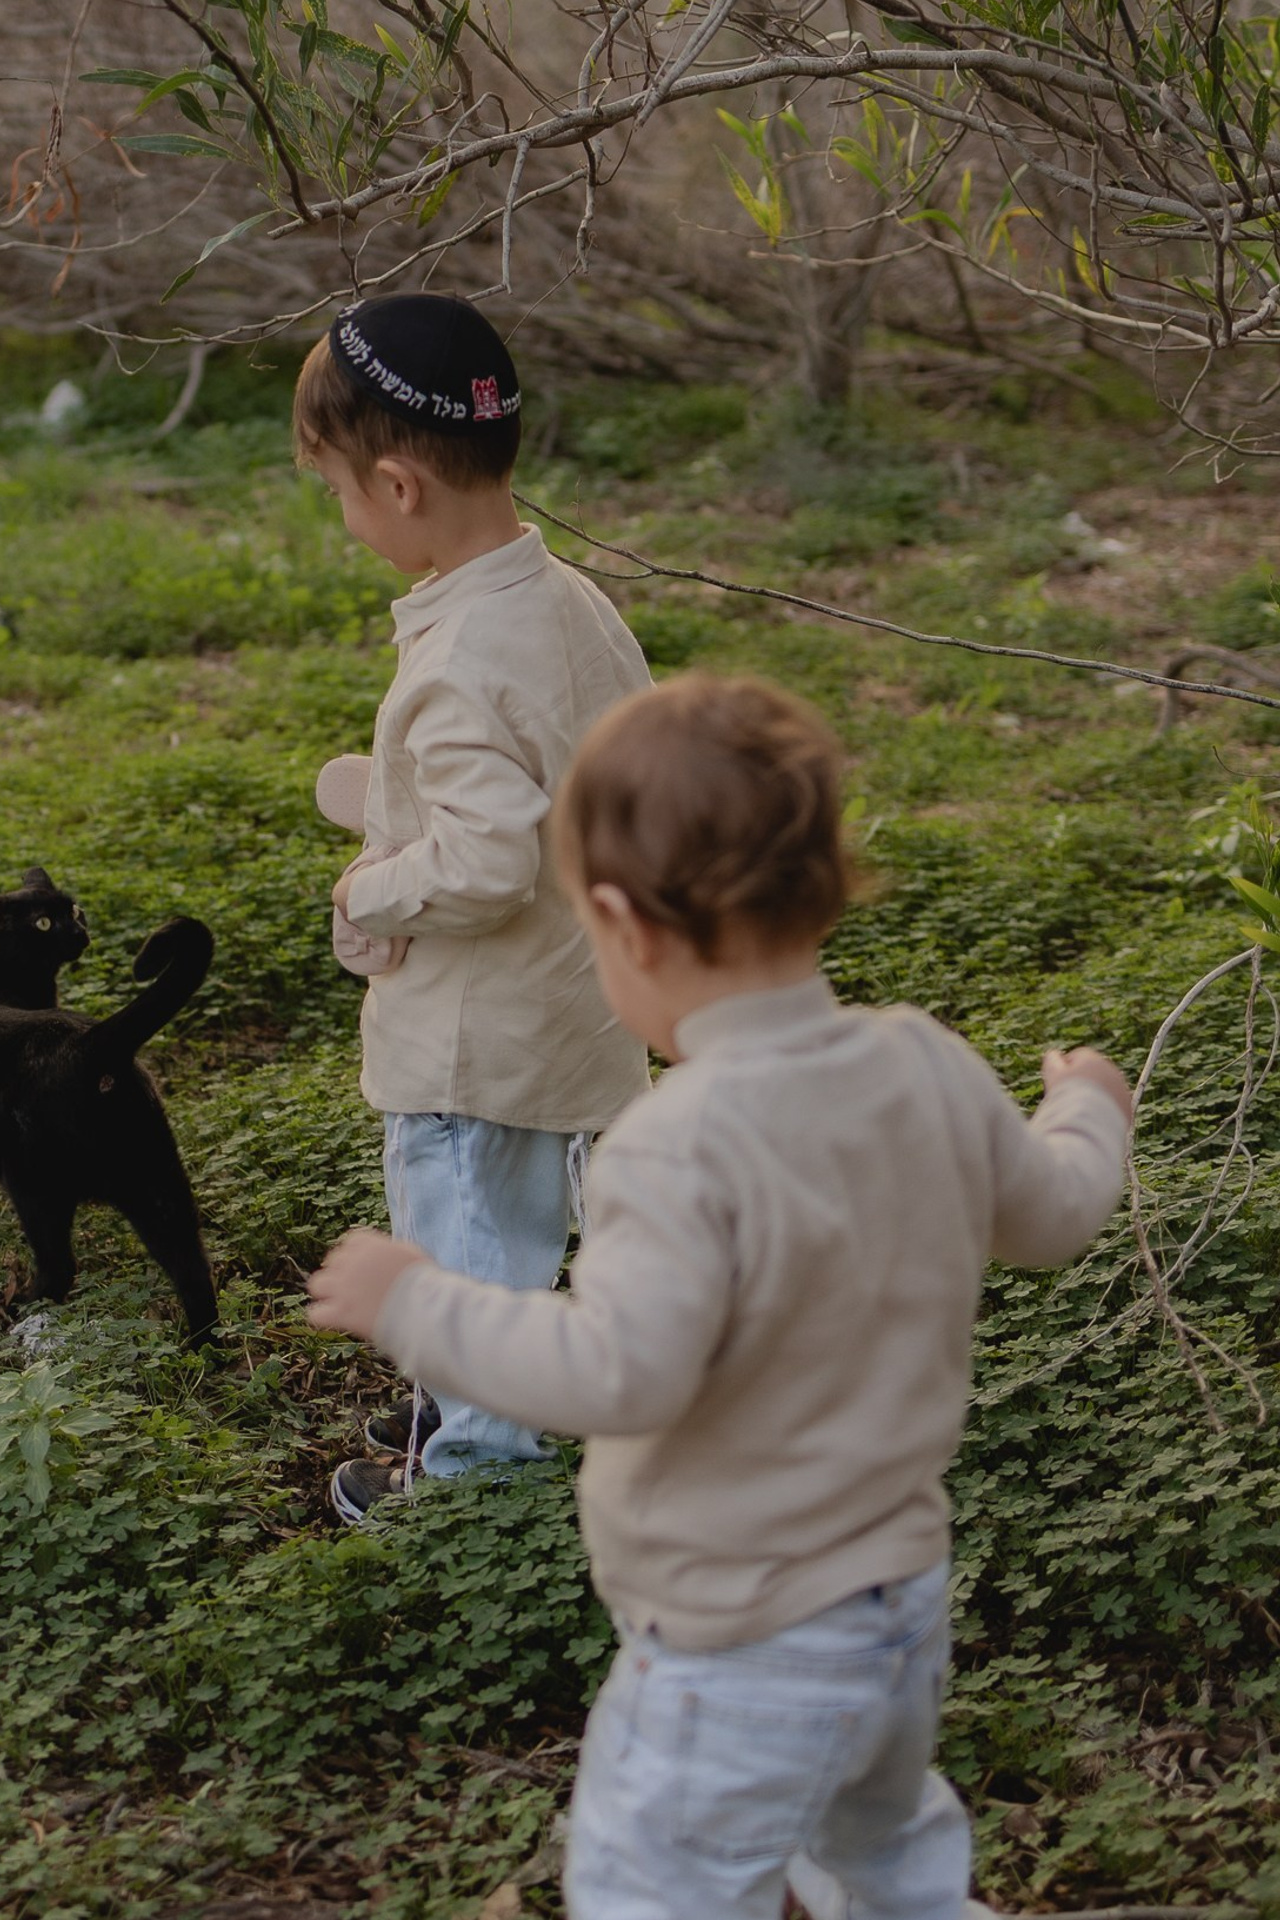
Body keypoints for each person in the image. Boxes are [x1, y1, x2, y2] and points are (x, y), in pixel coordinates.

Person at [306, 673, 1133, 1919]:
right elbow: (1059, 1215)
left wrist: (419, 1302)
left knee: (653, 1890)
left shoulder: (677, 1139)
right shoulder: (928, 1064)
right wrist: (1088, 1108)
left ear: (625, 928)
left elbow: (618, 1372)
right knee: (888, 1871)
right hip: (897, 1613)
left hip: (741, 1641)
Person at [296, 291, 653, 1522]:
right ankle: (482, 1403)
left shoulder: (456, 662)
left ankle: (473, 1483)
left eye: (338, 492)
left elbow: (490, 857)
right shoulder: (573, 606)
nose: (343, 517)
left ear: (398, 488)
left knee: (463, 1250)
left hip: (469, 1042)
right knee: (514, 1228)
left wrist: (369, 884)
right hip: (571, 1010)